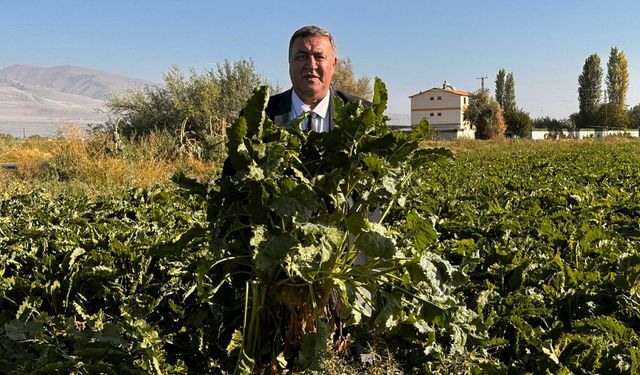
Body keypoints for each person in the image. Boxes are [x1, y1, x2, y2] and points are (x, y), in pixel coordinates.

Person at [266, 25, 369, 132]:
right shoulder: (261, 114)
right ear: (290, 62)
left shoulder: (364, 115)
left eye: (319, 57)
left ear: (333, 64)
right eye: (302, 56)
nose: (311, 65)